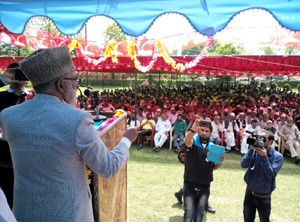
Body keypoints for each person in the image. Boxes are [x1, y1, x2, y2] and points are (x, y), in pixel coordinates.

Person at [0, 46, 138, 222]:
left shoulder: (8, 116)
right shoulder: (78, 119)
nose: (77, 85)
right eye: (75, 79)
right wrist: (126, 139)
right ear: (61, 84)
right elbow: (108, 168)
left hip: (24, 215)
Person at [182, 119, 225, 221]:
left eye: (207, 131)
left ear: (210, 133)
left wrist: (220, 161)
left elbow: (214, 168)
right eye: (202, 130)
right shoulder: (193, 143)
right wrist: (192, 130)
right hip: (189, 185)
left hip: (205, 186)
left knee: (200, 214)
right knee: (189, 213)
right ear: (198, 130)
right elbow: (187, 141)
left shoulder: (213, 148)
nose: (204, 133)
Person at [241, 130, 283, 222]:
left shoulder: (277, 156)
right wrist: (251, 150)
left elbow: (270, 175)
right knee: (247, 219)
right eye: (258, 138)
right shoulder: (254, 151)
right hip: (249, 193)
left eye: (263, 139)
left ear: (271, 142)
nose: (259, 140)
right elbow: (243, 164)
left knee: (264, 220)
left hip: (264, 197)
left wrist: (264, 157)